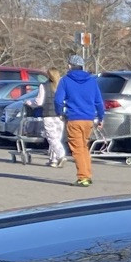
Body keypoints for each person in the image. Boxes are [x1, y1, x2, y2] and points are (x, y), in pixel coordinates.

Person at [55, 57, 104, 186]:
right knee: (84, 147)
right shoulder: (92, 81)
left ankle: (83, 177)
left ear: (70, 66)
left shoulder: (65, 80)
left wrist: (59, 113)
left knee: (77, 149)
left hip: (74, 118)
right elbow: (98, 101)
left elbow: (58, 100)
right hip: (88, 119)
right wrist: (101, 117)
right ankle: (87, 174)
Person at [34, 69, 66, 168]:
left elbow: (39, 102)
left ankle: (61, 155)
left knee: (52, 138)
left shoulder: (44, 86)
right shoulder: (62, 86)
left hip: (48, 115)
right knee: (57, 138)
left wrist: (29, 103)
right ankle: (53, 160)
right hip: (60, 115)